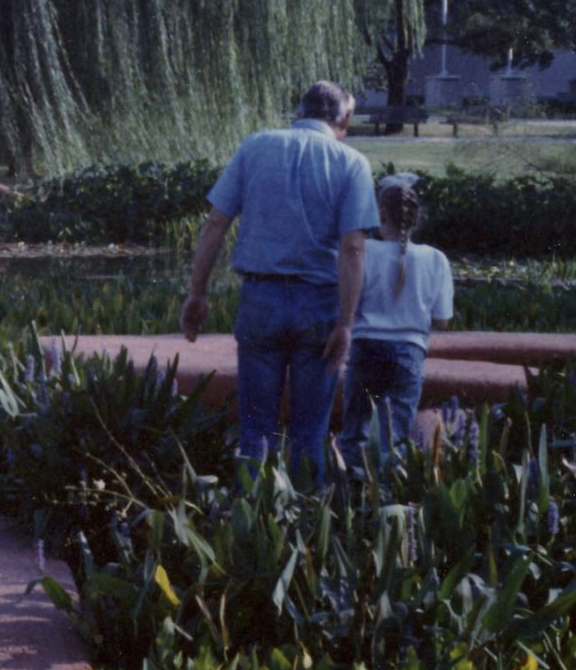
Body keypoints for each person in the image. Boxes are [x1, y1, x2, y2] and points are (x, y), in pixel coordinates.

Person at [181, 82, 378, 485]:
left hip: (261, 299)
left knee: (255, 431)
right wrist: (346, 322)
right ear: (343, 119)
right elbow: (353, 247)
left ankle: (250, 525)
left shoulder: (254, 147)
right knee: (309, 433)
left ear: (299, 111)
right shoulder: (351, 162)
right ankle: (306, 528)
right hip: (318, 305)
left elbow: (216, 222)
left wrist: (197, 293)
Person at [338, 174, 454, 471]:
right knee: (396, 437)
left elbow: (348, 300)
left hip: (366, 347)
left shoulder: (365, 253)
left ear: (381, 214)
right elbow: (442, 320)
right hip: (409, 351)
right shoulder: (436, 259)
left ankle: (350, 498)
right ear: (416, 217)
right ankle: (388, 503)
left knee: (355, 430)